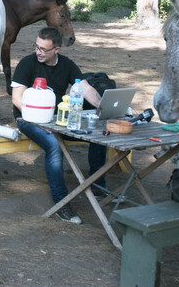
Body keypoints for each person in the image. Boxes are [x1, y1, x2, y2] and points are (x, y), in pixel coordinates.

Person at [11, 27, 107, 224]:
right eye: (36, 47)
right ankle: (62, 202)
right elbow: (16, 98)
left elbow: (84, 88)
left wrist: (102, 107)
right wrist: (38, 120)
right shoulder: (27, 64)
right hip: (28, 119)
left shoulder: (67, 65)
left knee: (98, 132)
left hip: (58, 118)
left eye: (43, 49)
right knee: (54, 146)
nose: (38, 52)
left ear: (57, 49)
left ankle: (98, 186)